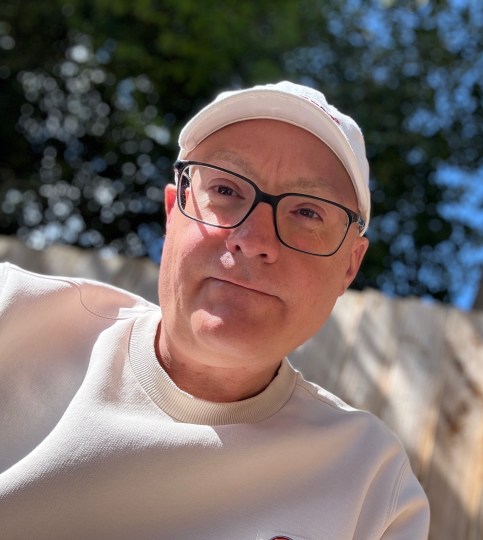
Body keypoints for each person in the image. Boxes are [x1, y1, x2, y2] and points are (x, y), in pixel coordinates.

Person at [0, 81, 430, 539]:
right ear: (173, 211)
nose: (255, 240)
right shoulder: (11, 314)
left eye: (308, 213)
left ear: (349, 265)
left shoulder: (371, 484)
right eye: (225, 188)